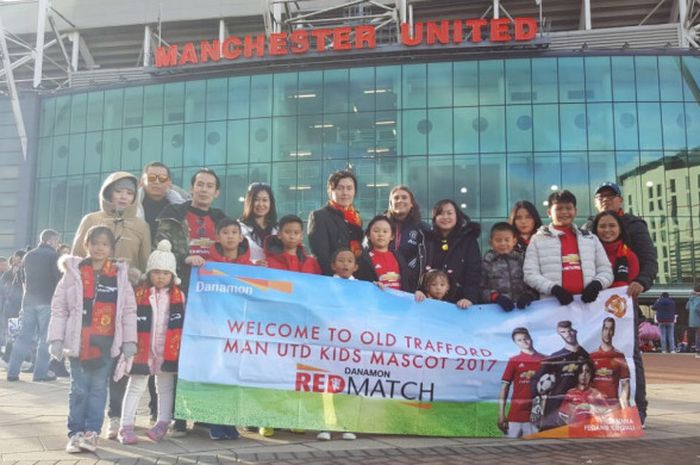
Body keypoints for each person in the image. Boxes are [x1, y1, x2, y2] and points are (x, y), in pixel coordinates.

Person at [47, 226, 137, 454]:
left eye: (105, 244)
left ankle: (91, 433)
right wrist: (55, 339)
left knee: (98, 389)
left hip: (106, 343)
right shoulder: (73, 272)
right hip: (77, 342)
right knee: (78, 388)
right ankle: (75, 432)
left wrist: (129, 342)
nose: (99, 248)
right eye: (95, 243)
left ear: (111, 248)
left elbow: (128, 310)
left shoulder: (119, 274)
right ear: (86, 244)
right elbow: (59, 308)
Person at [155, 168, 226, 437]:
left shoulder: (222, 219)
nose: (204, 189)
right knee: (178, 353)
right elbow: (160, 246)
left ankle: (203, 413)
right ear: (192, 187)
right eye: (200, 184)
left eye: (210, 185)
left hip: (213, 297)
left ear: (216, 192)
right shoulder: (173, 215)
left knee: (207, 355)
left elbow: (235, 248)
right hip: (180, 292)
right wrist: (184, 258)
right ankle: (178, 415)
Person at [589, 181, 657, 426]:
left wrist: (642, 281)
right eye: (601, 196)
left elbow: (649, 259)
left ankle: (637, 409)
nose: (606, 199)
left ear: (620, 200)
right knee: (594, 356)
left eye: (611, 196)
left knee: (629, 356)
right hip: (594, 307)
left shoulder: (634, 226)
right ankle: (596, 410)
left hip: (624, 305)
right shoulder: (589, 228)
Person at [115, 240, 187, 444]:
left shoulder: (178, 296)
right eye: (156, 272)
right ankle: (125, 425)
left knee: (164, 387)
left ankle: (162, 423)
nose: (161, 276)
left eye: (166, 273)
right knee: (135, 385)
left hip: (166, 350)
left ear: (172, 275)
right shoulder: (139, 293)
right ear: (149, 273)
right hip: (142, 349)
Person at [523, 190, 613, 305]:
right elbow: (530, 274)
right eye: (559, 208)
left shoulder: (590, 238)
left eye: (568, 208)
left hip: (589, 307)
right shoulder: (537, 239)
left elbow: (606, 270)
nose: (564, 212)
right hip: (552, 305)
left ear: (575, 211)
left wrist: (597, 284)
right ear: (549, 212)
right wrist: (553, 289)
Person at [72, 171, 152, 277]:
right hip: (91, 283)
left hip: (129, 286)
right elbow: (77, 256)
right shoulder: (91, 219)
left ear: (135, 197)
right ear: (109, 193)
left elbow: (145, 263)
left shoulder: (142, 226)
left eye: (130, 193)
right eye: (118, 191)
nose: (124, 196)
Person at [6, 229, 61, 382]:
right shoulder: (54, 256)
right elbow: (59, 279)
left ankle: (12, 372)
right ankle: (40, 374)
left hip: (28, 301)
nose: (58, 245)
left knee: (23, 338)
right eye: (57, 242)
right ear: (50, 241)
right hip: (47, 301)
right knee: (45, 339)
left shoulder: (28, 256)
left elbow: (21, 278)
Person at [317, 248, 358, 441]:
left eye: (349, 261)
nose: (345, 264)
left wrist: (377, 288)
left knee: (349, 385)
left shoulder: (362, 287)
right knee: (327, 386)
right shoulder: (325, 285)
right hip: (329, 343)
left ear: (355, 266)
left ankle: (347, 424)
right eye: (340, 260)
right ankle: (325, 424)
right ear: (333, 265)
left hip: (351, 345)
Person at [411, 199, 481, 307]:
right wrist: (419, 290)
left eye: (449, 213)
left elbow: (473, 271)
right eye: (441, 214)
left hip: (460, 303)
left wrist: (469, 298)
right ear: (435, 218)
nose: (445, 217)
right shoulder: (427, 239)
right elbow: (420, 268)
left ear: (457, 215)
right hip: (428, 302)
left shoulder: (468, 240)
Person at [532, 321, 590, 430]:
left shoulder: (586, 356)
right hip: (554, 406)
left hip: (576, 405)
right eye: (563, 332)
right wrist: (536, 403)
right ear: (559, 334)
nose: (568, 334)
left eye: (569, 330)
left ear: (575, 331)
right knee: (549, 438)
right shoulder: (555, 357)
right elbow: (536, 379)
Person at [308, 170, 364, 276]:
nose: (345, 193)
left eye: (349, 188)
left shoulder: (356, 218)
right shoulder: (319, 216)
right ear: (330, 191)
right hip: (333, 281)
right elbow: (321, 257)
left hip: (355, 280)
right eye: (340, 188)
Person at [498, 327, 545, 438]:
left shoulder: (545, 359)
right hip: (516, 413)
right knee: (509, 448)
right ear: (515, 343)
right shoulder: (514, 360)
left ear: (530, 338)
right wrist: (501, 414)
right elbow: (504, 387)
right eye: (519, 340)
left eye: (525, 338)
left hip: (536, 414)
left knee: (534, 448)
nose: (524, 341)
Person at [481, 223, 538, 312]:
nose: (503, 243)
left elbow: (533, 283)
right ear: (490, 242)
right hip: (496, 311)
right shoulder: (486, 262)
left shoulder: (522, 260)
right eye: (498, 240)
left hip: (522, 311)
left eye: (507, 240)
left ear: (514, 241)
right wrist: (496, 297)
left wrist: (528, 296)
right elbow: (479, 288)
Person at [136, 162, 191, 241]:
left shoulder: (181, 206)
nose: (157, 182)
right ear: (142, 180)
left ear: (169, 182)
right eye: (151, 177)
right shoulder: (131, 205)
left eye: (162, 178)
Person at [355, 215, 411, 291]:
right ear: (368, 235)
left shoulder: (399, 257)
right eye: (376, 231)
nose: (381, 234)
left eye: (385, 231)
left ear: (392, 236)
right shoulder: (363, 258)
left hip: (399, 301)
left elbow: (407, 283)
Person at [591, 211, 640, 288]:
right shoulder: (588, 254)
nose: (607, 230)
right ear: (596, 230)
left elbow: (631, 291)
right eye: (602, 226)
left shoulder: (629, 256)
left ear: (620, 229)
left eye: (612, 226)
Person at [590, 318, 630, 409]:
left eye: (611, 329)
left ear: (614, 332)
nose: (608, 333)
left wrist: (624, 405)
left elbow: (625, 384)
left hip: (612, 406)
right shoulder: (591, 356)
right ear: (601, 331)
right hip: (594, 405)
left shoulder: (619, 356)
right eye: (605, 329)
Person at [385, 186, 429, 268]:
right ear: (391, 204)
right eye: (396, 198)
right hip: (382, 276)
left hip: (411, 278)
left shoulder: (423, 229)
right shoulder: (380, 226)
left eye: (404, 197)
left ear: (411, 204)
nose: (400, 200)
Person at [558, 360, 609, 425]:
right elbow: (563, 415)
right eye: (581, 372)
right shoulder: (570, 393)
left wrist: (590, 407)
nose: (584, 375)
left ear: (591, 374)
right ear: (577, 374)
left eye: (587, 371)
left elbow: (607, 412)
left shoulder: (596, 394)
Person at [238, 182, 278, 264]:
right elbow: (233, 257)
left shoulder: (279, 229)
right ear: (249, 201)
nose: (261, 204)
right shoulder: (238, 228)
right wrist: (253, 263)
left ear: (271, 203)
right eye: (256, 200)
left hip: (275, 275)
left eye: (265, 200)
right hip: (248, 274)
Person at [686, 284, 700, 358]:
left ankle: (697, 350)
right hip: (698, 319)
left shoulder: (691, 299)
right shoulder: (698, 299)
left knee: (697, 335)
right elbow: (697, 309)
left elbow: (687, 308)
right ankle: (698, 351)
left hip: (693, 320)